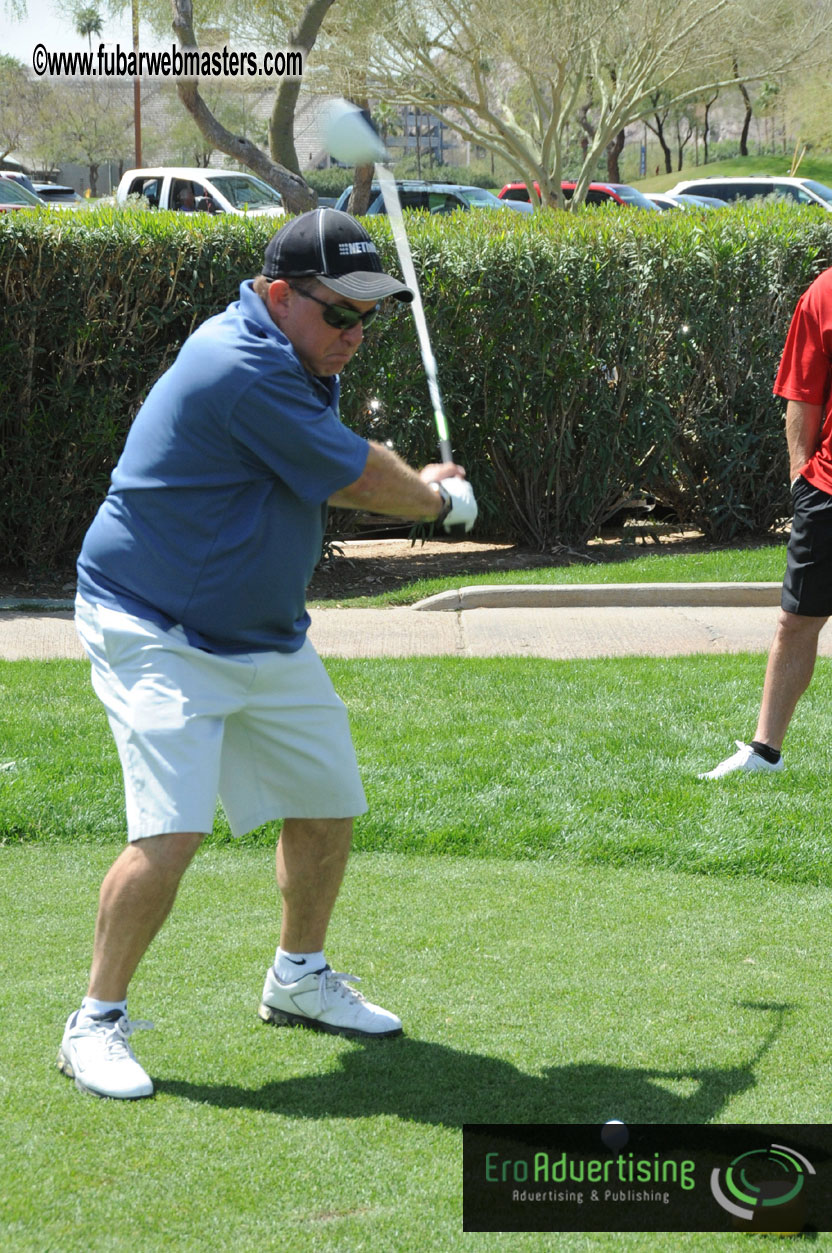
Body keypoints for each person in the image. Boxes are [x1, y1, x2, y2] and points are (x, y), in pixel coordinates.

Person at [57, 207, 477, 1100]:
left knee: (326, 805)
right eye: (341, 313)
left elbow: (346, 456)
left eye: (371, 317)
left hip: (261, 631)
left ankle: (299, 978)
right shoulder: (239, 365)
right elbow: (359, 474)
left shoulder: (296, 350)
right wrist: (442, 504)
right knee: (170, 830)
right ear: (280, 296)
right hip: (153, 623)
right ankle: (94, 1020)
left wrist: (419, 481)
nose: (356, 333)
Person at [701, 265, 832, 779]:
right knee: (796, 621)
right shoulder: (823, 293)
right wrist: (803, 482)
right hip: (828, 490)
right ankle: (764, 753)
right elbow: (803, 395)